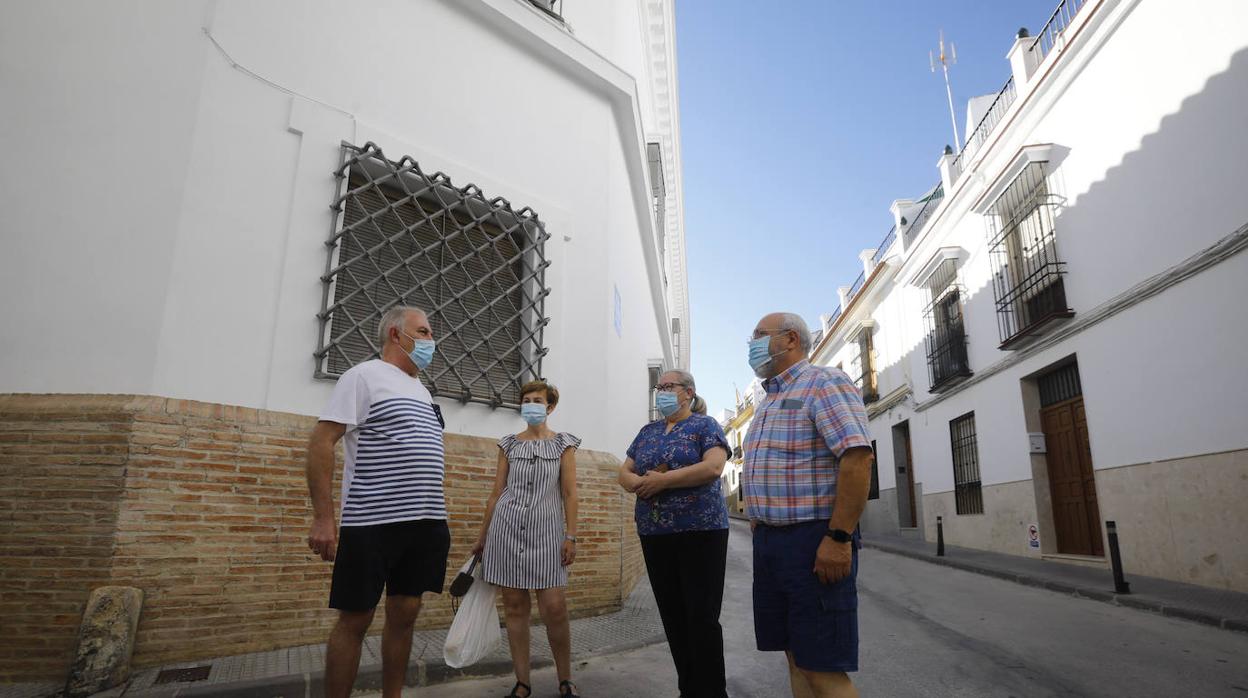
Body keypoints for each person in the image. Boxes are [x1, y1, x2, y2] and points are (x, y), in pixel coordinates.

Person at [305, 306, 450, 698]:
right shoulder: (363, 376)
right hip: (372, 522)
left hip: (425, 522)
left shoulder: (422, 391)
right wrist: (324, 518)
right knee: (356, 618)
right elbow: (322, 442)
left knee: (406, 614)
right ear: (395, 334)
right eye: (423, 332)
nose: (431, 340)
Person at [742, 312, 875, 698]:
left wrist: (839, 537)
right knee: (795, 656)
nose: (751, 343)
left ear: (791, 339)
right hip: (770, 543)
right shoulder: (768, 400)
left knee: (821, 666)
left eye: (759, 334)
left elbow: (857, 457)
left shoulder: (824, 382)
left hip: (813, 539)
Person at [617, 369, 731, 698]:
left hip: (701, 531)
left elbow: (713, 467)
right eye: (659, 387)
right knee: (673, 616)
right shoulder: (647, 432)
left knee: (701, 617)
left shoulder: (704, 425)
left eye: (669, 386)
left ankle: (712, 693)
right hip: (655, 532)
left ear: (688, 392)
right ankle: (689, 689)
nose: (662, 392)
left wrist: (662, 481)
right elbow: (624, 471)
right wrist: (636, 483)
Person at [473, 380, 582, 698]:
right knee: (515, 608)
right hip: (505, 532)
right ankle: (522, 682)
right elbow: (496, 493)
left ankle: (565, 679)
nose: (530, 405)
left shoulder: (563, 444)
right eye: (526, 400)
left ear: (550, 407)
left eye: (537, 400)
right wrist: (482, 537)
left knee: (555, 608)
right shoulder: (508, 444)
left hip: (547, 535)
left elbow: (570, 493)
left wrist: (571, 536)